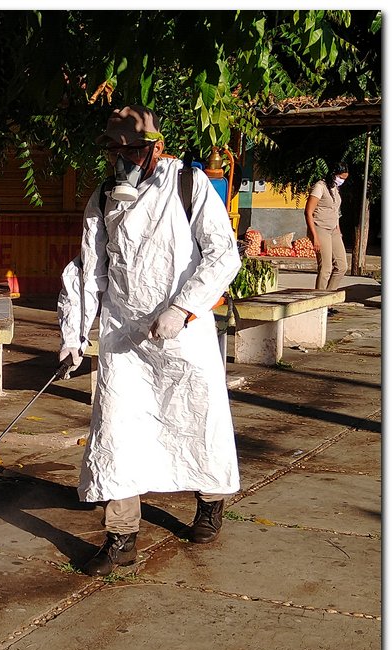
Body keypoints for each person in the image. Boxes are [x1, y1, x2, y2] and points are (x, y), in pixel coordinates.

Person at [57, 105, 242, 577]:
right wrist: (74, 335)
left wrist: (182, 308)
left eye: (133, 150)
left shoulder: (188, 185)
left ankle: (210, 502)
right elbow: (89, 271)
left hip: (184, 336)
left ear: (155, 147)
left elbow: (223, 254)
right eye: (115, 151)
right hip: (124, 338)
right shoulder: (103, 198)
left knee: (197, 423)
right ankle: (121, 537)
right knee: (116, 431)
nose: (124, 160)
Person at [304, 162, 349, 291]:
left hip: (333, 229)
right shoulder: (320, 186)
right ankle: (319, 298)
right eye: (341, 177)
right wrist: (315, 237)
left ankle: (329, 295)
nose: (342, 181)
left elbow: (335, 210)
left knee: (342, 266)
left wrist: (338, 230)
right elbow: (308, 212)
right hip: (320, 228)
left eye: (344, 179)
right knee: (326, 268)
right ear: (334, 174)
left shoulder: (335, 188)